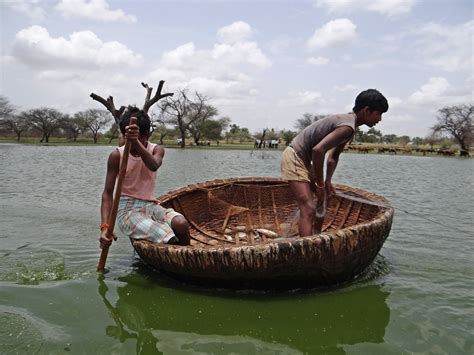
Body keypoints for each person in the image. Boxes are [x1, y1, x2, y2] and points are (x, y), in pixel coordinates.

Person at [280, 89, 389, 237]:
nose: (380, 119)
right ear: (367, 110)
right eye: (379, 114)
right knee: (308, 208)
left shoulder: (351, 127)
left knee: (323, 197)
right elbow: (318, 151)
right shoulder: (347, 127)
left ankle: (316, 235)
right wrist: (320, 184)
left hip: (303, 159)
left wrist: (328, 181)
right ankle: (308, 248)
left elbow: (333, 157)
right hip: (295, 156)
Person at [99, 106, 191, 250]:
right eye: (126, 136)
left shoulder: (156, 149)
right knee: (168, 236)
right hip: (127, 211)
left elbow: (153, 165)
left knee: (181, 224)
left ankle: (187, 257)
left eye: (136, 137)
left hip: (150, 205)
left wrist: (135, 142)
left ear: (146, 135)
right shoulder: (117, 156)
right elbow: (107, 193)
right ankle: (174, 260)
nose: (128, 141)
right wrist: (105, 227)